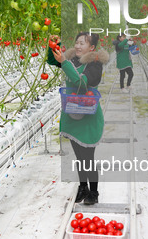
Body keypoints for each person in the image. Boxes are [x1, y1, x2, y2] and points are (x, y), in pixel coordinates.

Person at [47, 32, 109, 205]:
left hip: (88, 117)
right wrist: (53, 43)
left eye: (83, 43)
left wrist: (65, 63)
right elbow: (53, 61)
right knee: (80, 157)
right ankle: (83, 188)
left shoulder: (95, 65)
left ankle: (94, 192)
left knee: (88, 158)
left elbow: (82, 83)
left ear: (92, 48)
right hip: (73, 113)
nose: (78, 46)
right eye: (77, 42)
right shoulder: (72, 59)